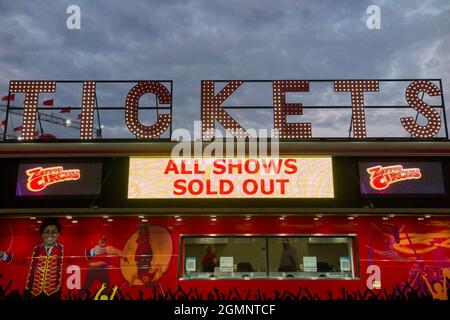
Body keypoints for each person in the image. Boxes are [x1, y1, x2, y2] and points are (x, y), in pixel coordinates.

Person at [0, 218, 64, 300]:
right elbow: (18, 258)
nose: (50, 235)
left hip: (54, 294)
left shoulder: (63, 250)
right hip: (33, 294)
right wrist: (2, 255)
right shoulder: (35, 249)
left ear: (58, 234)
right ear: (42, 234)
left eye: (54, 232)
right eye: (47, 231)